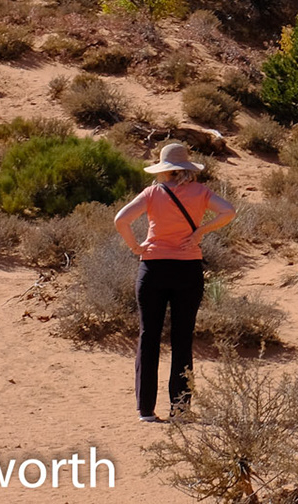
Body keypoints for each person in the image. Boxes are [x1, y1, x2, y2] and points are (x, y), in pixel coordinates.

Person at [113, 142, 237, 422]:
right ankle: (180, 410)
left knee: (149, 337)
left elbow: (121, 219)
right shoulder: (201, 192)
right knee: (182, 340)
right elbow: (228, 212)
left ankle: (146, 410)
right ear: (187, 168)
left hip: (153, 269)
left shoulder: (152, 193)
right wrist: (201, 231)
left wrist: (136, 246)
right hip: (187, 270)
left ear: (164, 170)